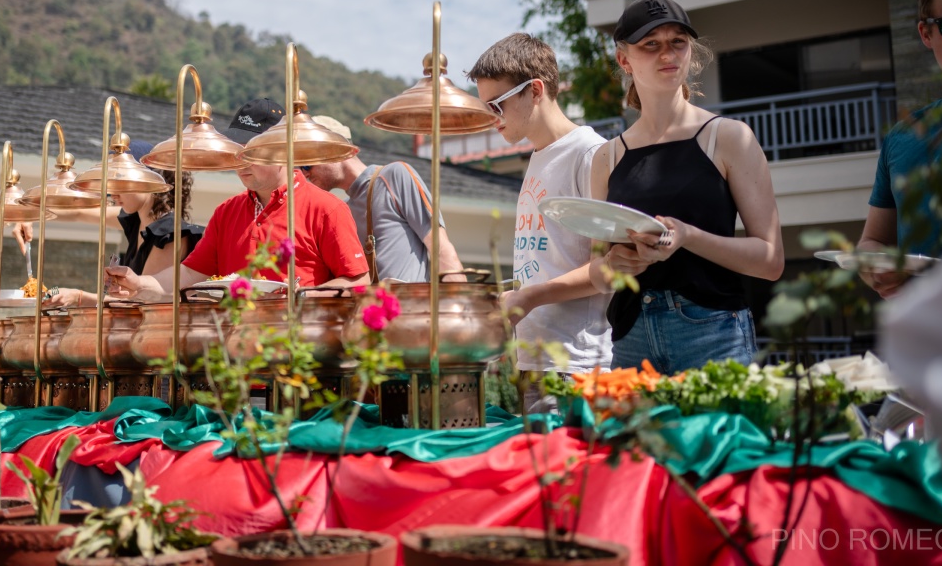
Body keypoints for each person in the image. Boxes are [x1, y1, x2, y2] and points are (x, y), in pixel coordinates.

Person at [590, 0, 784, 375]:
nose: (668, 54)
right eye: (651, 44)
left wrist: (689, 236)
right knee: (632, 439)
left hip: (712, 335)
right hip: (632, 340)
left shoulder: (728, 137)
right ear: (624, 59)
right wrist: (616, 264)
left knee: (720, 437)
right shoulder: (606, 157)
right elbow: (597, 272)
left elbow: (771, 260)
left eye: (678, 41)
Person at [468, 33, 612, 413]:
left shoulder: (590, 153)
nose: (491, 120)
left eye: (496, 105)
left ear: (534, 90)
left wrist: (527, 298)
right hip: (534, 358)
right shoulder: (538, 156)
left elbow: (609, 267)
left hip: (575, 362)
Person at [107, 98, 369, 300]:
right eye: (236, 151)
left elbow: (358, 281)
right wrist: (139, 282)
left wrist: (302, 297)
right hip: (234, 352)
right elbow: (188, 273)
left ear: (283, 151)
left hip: (299, 353)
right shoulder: (226, 212)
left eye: (252, 151)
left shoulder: (327, 208)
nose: (240, 161)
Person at [859, 0, 942, 298]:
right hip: (928, 335)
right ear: (926, 33)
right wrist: (879, 267)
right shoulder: (902, 136)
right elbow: (874, 241)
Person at [301, 115, 466, 284]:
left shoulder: (394, 176)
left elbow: (441, 250)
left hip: (412, 307)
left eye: (306, 164)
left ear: (336, 150)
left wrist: (458, 303)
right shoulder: (341, 210)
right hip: (372, 309)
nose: (304, 174)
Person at [44, 161, 203, 308]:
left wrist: (77, 296)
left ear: (148, 180)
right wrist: (32, 217)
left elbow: (141, 301)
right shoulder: (135, 220)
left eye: (121, 183)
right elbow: (78, 213)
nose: (113, 194)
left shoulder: (170, 234)